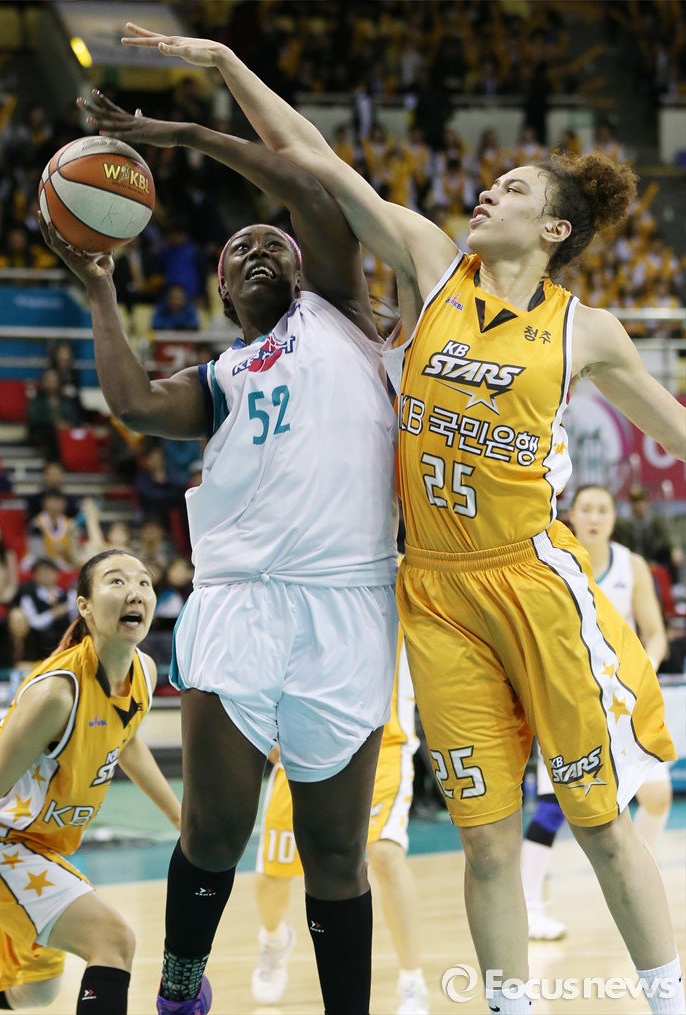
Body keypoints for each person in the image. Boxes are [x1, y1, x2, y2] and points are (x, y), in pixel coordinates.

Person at [116, 25, 686, 1015]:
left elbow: (675, 429)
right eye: (490, 183)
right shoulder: (432, 267)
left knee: (597, 820)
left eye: (512, 189)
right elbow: (319, 164)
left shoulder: (586, 329)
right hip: (431, 589)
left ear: (554, 227)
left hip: (530, 575)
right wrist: (224, 66)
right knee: (484, 837)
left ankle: (667, 997)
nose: (487, 192)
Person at [40, 84, 398, 1015]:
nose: (257, 249)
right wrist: (101, 288)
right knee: (213, 831)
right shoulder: (222, 376)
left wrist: (182, 134)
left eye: (273, 243)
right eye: (239, 251)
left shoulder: (342, 317)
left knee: (334, 850)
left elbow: (312, 193)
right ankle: (179, 991)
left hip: (348, 602)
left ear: (306, 271)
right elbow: (132, 403)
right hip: (240, 600)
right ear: (221, 291)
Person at [0, 548, 181, 1014]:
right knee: (112, 941)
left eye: (144, 582)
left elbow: (125, 741)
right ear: (85, 606)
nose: (135, 591)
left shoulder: (142, 671)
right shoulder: (57, 693)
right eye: (116, 581)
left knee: (34, 992)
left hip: (41, 844)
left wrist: (181, 818)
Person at [521, 484, 671, 941]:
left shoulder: (631, 565)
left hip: (624, 700)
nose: (594, 517)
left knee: (657, 795)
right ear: (572, 514)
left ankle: (631, 881)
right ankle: (530, 906)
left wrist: (643, 670)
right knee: (552, 808)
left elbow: (656, 634)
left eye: (603, 509)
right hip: (569, 701)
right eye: (586, 509)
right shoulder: (553, 560)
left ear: (613, 517)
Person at [252, 629, 428, 1015]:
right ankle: (274, 939)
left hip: (385, 744)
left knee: (385, 854)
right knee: (273, 875)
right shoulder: (305, 595)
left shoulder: (400, 591)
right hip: (306, 743)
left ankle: (412, 980)